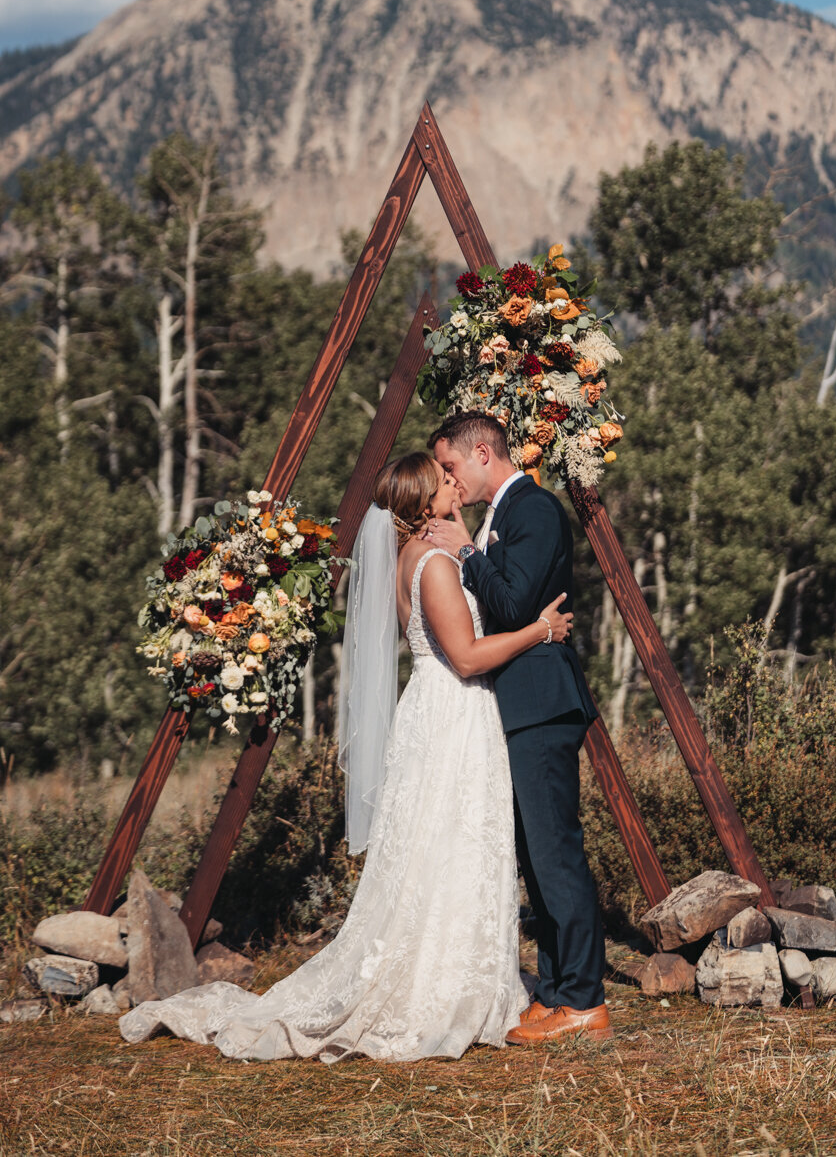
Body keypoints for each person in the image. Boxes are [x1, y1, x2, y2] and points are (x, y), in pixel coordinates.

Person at [119, 451, 572, 1062]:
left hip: (439, 711)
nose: (452, 485)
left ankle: (455, 973)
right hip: (454, 711)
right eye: (442, 481)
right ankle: (440, 990)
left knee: (442, 848)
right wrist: (539, 630)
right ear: (420, 503)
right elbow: (465, 657)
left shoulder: (413, 559)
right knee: (454, 844)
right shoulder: (435, 564)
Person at [425, 412, 610, 1046]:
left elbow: (511, 605)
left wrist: (467, 552)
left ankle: (584, 999)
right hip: (520, 703)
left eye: (451, 466)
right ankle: (556, 991)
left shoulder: (533, 509)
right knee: (535, 853)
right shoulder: (504, 514)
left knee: (556, 850)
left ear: (483, 453)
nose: (449, 480)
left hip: (543, 702)